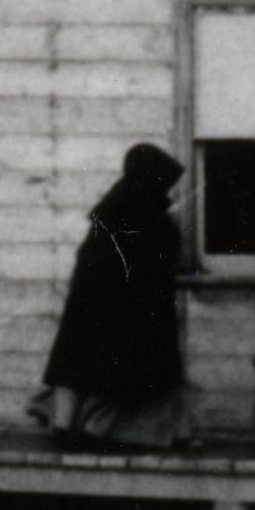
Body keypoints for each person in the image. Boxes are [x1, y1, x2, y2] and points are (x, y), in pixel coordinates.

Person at [32, 143, 192, 448]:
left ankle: (67, 424)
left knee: (81, 368)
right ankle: (97, 430)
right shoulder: (150, 217)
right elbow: (154, 264)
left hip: (92, 309)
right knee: (124, 377)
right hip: (129, 313)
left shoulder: (112, 209)